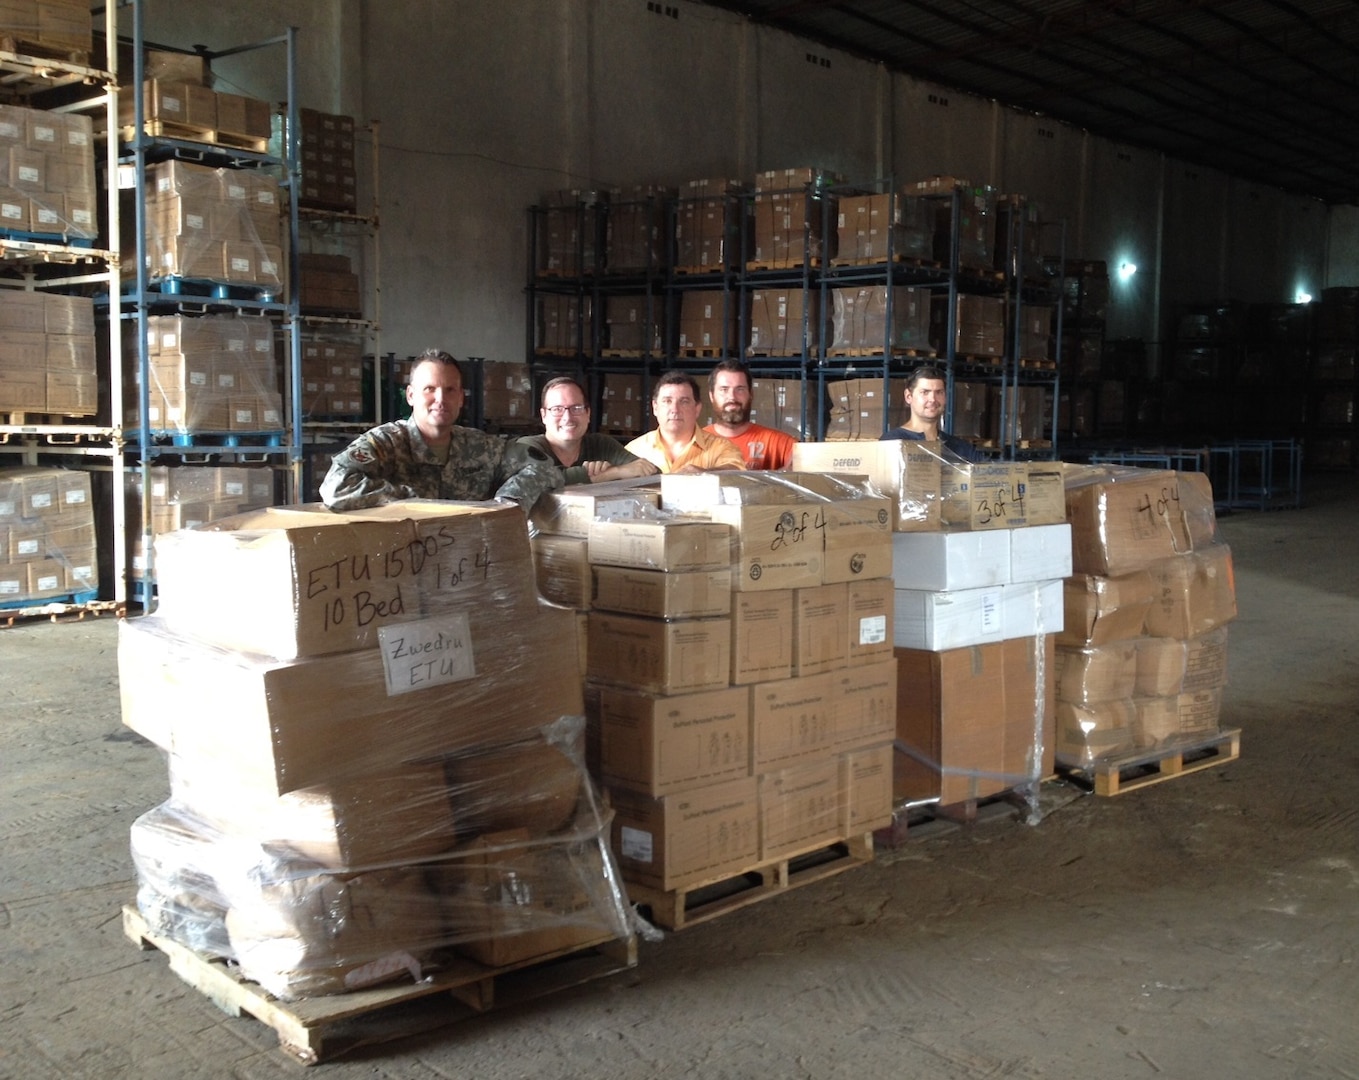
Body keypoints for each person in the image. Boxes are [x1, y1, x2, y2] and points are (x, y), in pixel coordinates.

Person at [320, 349, 563, 512]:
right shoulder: (386, 444)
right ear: (411, 395)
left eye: (449, 390)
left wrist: (505, 505)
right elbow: (336, 487)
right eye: (429, 389)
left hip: (468, 570)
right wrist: (414, 504)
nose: (440, 399)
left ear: (460, 398)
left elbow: (543, 469)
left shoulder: (480, 447)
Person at [518, 376, 659, 485]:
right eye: (557, 409)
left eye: (576, 408)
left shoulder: (601, 444)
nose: (567, 417)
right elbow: (544, 479)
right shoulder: (527, 447)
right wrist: (614, 472)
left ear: (588, 414)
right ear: (544, 416)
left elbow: (652, 473)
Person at [625, 370, 744, 474]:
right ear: (655, 408)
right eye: (667, 401)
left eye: (684, 401)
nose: (675, 409)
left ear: (697, 409)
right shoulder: (634, 451)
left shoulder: (722, 448)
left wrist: (705, 474)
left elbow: (737, 474)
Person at [704, 359, 798, 470]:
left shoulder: (779, 443)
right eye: (724, 389)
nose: (732, 397)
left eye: (740, 389)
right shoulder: (693, 444)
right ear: (711, 396)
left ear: (751, 394)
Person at [881, 364, 985, 461]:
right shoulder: (892, 443)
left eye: (939, 392)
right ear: (909, 396)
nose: (932, 399)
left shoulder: (961, 449)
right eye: (925, 392)